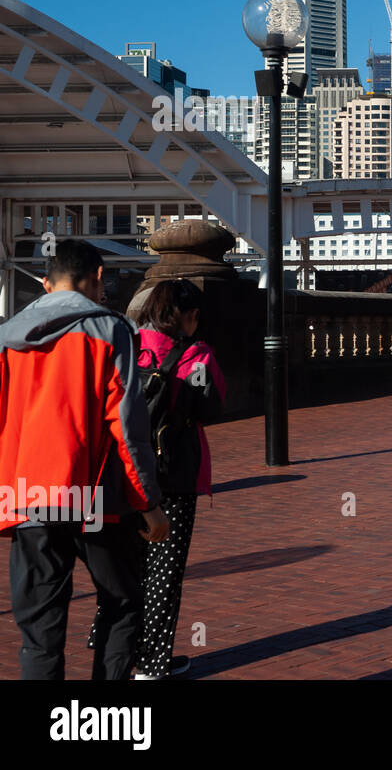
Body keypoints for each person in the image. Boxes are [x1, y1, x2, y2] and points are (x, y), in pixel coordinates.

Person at [0, 239, 169, 680]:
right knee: (121, 602)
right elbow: (129, 428)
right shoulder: (110, 331)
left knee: (39, 626)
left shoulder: (6, 338)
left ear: (45, 282)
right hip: (93, 496)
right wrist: (147, 502)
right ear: (96, 279)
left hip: (28, 496)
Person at [130, 279, 226, 679]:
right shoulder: (196, 356)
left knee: (126, 567)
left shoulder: (128, 345)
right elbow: (212, 407)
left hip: (125, 473)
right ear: (189, 316)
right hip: (174, 472)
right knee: (164, 571)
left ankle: (118, 650)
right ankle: (152, 664)